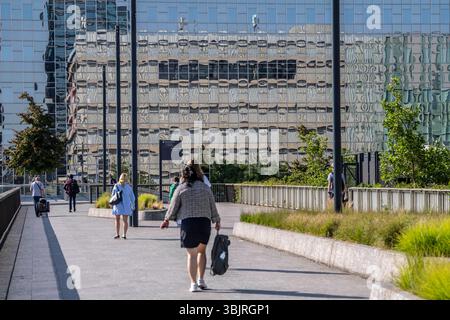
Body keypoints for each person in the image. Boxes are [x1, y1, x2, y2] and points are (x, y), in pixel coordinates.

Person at [161, 164, 221, 292]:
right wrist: (217, 221)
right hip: (204, 223)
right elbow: (213, 206)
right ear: (199, 174)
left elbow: (173, 206)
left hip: (188, 224)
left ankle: (193, 284)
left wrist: (166, 220)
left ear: (184, 174)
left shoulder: (181, 188)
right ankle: (201, 280)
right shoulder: (206, 188)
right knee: (201, 252)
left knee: (191, 255)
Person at [111, 173, 135, 239]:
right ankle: (124, 234)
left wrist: (111, 204)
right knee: (125, 221)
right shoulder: (129, 187)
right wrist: (133, 205)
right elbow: (132, 197)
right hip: (126, 205)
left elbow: (113, 196)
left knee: (117, 220)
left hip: (118, 205)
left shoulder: (116, 186)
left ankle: (117, 234)